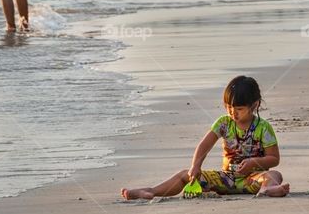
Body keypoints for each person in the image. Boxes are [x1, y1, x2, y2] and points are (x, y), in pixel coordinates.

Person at [121, 75, 289, 200]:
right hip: (225, 180)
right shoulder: (223, 124)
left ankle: (268, 189)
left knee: (275, 174)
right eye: (228, 107)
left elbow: (274, 158)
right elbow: (204, 146)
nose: (232, 113)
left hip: (253, 180)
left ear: (255, 104)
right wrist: (195, 166)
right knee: (184, 175)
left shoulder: (263, 127)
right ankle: (151, 191)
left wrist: (253, 163)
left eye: (238, 108)